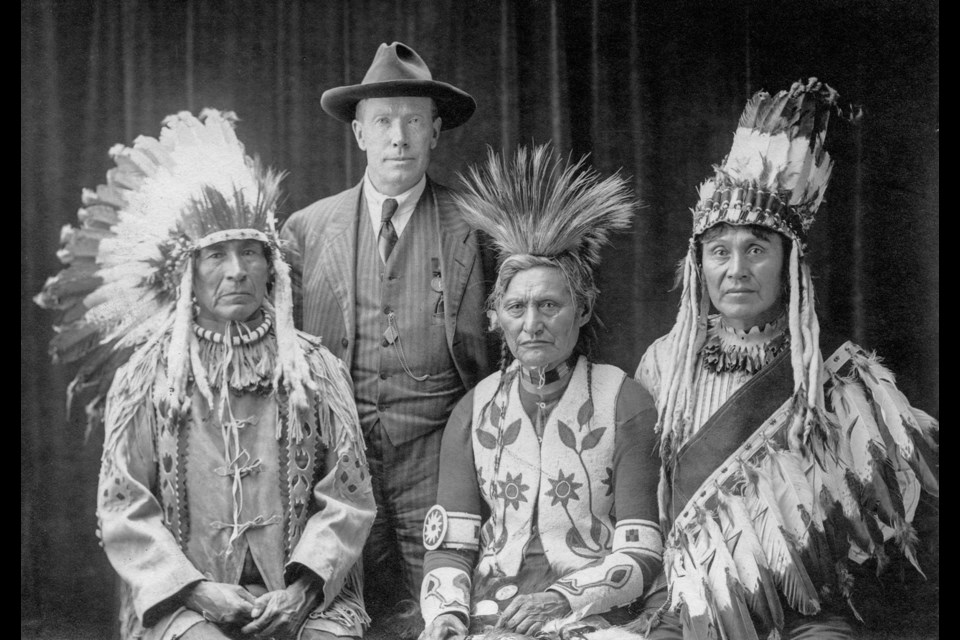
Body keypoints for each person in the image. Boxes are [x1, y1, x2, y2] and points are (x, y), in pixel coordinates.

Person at [36, 110, 376, 640]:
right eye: (216, 254)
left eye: (250, 253)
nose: (236, 269)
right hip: (185, 600)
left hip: (302, 596)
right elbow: (125, 509)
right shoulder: (148, 377)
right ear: (187, 274)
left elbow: (347, 499)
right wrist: (197, 592)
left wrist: (303, 589)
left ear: (273, 269)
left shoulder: (314, 370)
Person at [635, 79, 939, 640]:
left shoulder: (837, 380)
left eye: (756, 249)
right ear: (698, 265)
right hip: (688, 598)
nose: (736, 269)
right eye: (719, 252)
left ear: (789, 263)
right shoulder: (664, 366)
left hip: (809, 609)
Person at [280, 41, 496, 621]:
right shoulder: (307, 230)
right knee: (344, 615)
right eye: (383, 121)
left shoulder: (477, 228)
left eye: (414, 121)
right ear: (359, 134)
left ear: (435, 133)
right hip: (336, 470)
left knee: (440, 614)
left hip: (440, 461)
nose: (398, 136)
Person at [417, 146, 665, 640]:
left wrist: (560, 599)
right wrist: (446, 614)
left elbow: (642, 551)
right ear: (496, 317)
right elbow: (450, 544)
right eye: (516, 307)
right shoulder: (476, 409)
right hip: (490, 614)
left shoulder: (625, 401)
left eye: (550, 305)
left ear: (583, 310)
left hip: (594, 613)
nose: (532, 324)